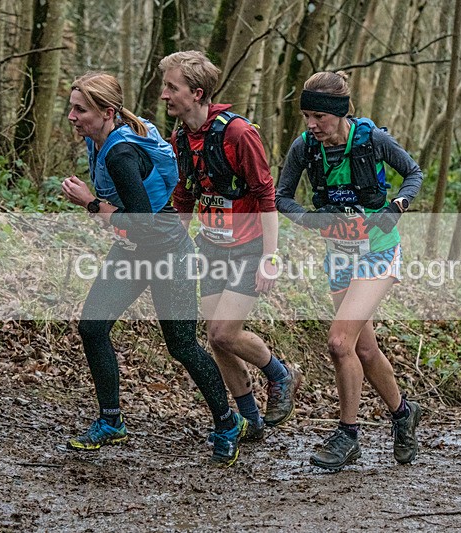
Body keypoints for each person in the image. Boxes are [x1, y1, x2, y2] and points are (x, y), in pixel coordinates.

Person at [62, 72, 247, 466]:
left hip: (167, 255)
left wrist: (90, 203)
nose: (71, 116)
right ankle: (111, 421)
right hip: (132, 251)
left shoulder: (120, 152)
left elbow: (142, 221)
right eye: (71, 107)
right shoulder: (103, 140)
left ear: (107, 112)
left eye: (80, 109)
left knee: (182, 346)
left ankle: (228, 423)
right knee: (92, 326)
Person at [276, 71, 423, 471]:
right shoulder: (304, 148)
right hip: (339, 256)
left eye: (318, 117)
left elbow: (414, 174)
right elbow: (281, 197)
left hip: (377, 252)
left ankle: (347, 434)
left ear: (339, 114)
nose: (311, 125)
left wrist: (396, 208)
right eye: (306, 115)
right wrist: (310, 220)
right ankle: (403, 413)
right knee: (363, 347)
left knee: (340, 342)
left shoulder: (373, 139)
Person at [158, 51, 301, 441]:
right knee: (216, 339)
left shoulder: (238, 134)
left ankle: (281, 374)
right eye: (165, 86)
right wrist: (171, 247)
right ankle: (251, 420)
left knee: (223, 332)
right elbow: (185, 197)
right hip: (211, 246)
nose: (164, 94)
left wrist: (270, 257)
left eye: (172, 87)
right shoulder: (181, 138)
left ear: (197, 92)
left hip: (248, 246)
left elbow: (266, 194)